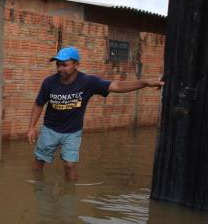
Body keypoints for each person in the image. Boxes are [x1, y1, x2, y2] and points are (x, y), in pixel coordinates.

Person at [27, 46, 163, 180]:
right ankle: (38, 188)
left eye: (64, 65)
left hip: (72, 132)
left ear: (76, 65)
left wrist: (145, 83)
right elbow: (39, 104)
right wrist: (32, 127)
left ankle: (68, 196)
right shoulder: (49, 82)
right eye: (58, 65)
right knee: (40, 161)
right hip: (50, 129)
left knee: (70, 165)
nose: (59, 69)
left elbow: (117, 86)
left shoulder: (87, 82)